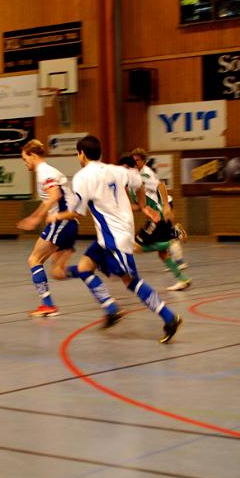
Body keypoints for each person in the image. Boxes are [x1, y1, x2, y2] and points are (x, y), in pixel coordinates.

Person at [49, 135, 182, 343]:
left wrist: (56, 215)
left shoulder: (83, 177)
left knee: (130, 281)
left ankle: (169, 317)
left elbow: (77, 212)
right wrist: (143, 205)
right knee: (85, 267)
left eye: (77, 153)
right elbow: (138, 183)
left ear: (81, 154)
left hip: (115, 237)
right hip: (109, 236)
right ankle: (111, 309)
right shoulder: (116, 170)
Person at [17, 139, 78, 317]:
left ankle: (47, 305)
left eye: (24, 158)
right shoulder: (47, 172)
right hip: (70, 223)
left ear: (33, 155)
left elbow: (54, 195)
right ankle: (89, 268)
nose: (25, 163)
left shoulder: (44, 172)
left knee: (34, 259)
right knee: (58, 272)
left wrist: (35, 218)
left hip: (61, 222)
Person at [129, 147, 190, 291]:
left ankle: (173, 237)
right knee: (163, 255)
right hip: (155, 216)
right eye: (133, 161)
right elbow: (140, 204)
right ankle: (182, 279)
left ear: (143, 161)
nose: (135, 163)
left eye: (137, 160)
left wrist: (166, 206)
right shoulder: (134, 177)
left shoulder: (145, 174)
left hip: (157, 217)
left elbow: (161, 185)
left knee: (136, 247)